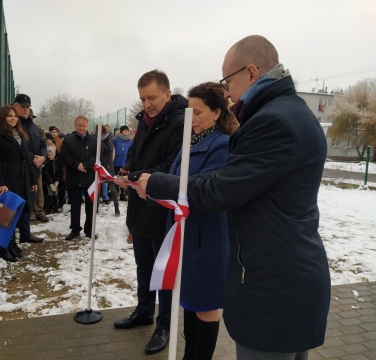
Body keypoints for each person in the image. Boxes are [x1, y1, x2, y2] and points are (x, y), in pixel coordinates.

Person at [138, 35, 331, 359]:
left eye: (228, 80)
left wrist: (157, 183)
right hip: (287, 278)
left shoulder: (273, 122)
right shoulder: (292, 112)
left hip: (272, 286)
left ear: (251, 73)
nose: (226, 90)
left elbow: (219, 190)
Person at [113, 69, 187, 355]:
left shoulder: (180, 123)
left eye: (152, 97)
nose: (147, 104)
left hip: (163, 210)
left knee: (164, 272)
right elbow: (134, 152)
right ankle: (143, 311)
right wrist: (127, 169)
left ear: (167, 94)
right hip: (140, 208)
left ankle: (164, 325)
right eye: (143, 98)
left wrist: (138, 175)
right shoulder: (143, 121)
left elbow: (172, 167)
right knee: (143, 266)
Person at [170, 82, 238, 359]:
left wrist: (163, 185)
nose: (192, 118)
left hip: (207, 237)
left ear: (217, 112)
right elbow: (175, 178)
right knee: (189, 300)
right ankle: (190, 354)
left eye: (197, 112)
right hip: (187, 234)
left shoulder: (222, 144)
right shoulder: (192, 141)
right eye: (189, 111)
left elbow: (205, 188)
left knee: (206, 304)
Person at [0, 105, 39, 261]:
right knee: (5, 215)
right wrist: (0, 183)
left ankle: (11, 244)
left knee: (15, 213)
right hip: (7, 179)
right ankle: (2, 248)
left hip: (21, 178)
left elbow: (26, 158)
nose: (13, 119)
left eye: (15, 116)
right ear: (3, 117)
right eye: (9, 116)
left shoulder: (18, 134)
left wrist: (33, 178)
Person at [60, 115, 97, 240]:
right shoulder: (68, 140)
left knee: (90, 206)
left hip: (89, 177)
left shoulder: (94, 140)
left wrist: (85, 165)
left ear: (88, 126)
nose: (82, 128)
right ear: (75, 125)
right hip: (74, 177)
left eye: (84, 125)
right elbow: (64, 156)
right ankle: (75, 229)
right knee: (75, 205)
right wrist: (77, 165)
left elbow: (97, 156)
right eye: (79, 125)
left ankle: (89, 230)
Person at [13, 94, 49, 225]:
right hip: (20, 168)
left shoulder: (34, 127)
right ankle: (18, 223)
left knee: (34, 193)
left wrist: (43, 157)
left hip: (35, 167)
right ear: (15, 106)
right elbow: (17, 147)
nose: (26, 109)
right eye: (23, 106)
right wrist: (34, 158)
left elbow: (43, 144)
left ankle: (31, 221)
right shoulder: (14, 125)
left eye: (28, 107)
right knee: (21, 196)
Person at [95, 124, 120, 217]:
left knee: (112, 187)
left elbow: (109, 150)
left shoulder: (108, 137)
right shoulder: (95, 137)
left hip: (108, 165)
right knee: (97, 186)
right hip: (99, 164)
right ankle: (95, 208)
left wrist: (100, 142)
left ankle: (117, 208)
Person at [113, 125, 133, 202]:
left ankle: (123, 195)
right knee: (115, 178)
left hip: (125, 163)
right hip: (116, 162)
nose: (126, 132)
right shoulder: (115, 140)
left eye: (127, 130)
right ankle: (114, 194)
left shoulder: (130, 141)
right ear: (121, 131)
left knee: (124, 179)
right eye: (124, 130)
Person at [42, 148, 62, 214]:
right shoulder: (46, 163)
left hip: (55, 181)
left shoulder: (58, 162)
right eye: (48, 155)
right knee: (50, 192)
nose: (50, 156)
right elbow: (46, 174)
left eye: (51, 155)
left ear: (54, 154)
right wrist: (50, 183)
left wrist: (57, 181)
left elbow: (59, 172)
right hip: (48, 182)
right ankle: (48, 208)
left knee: (55, 192)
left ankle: (55, 207)